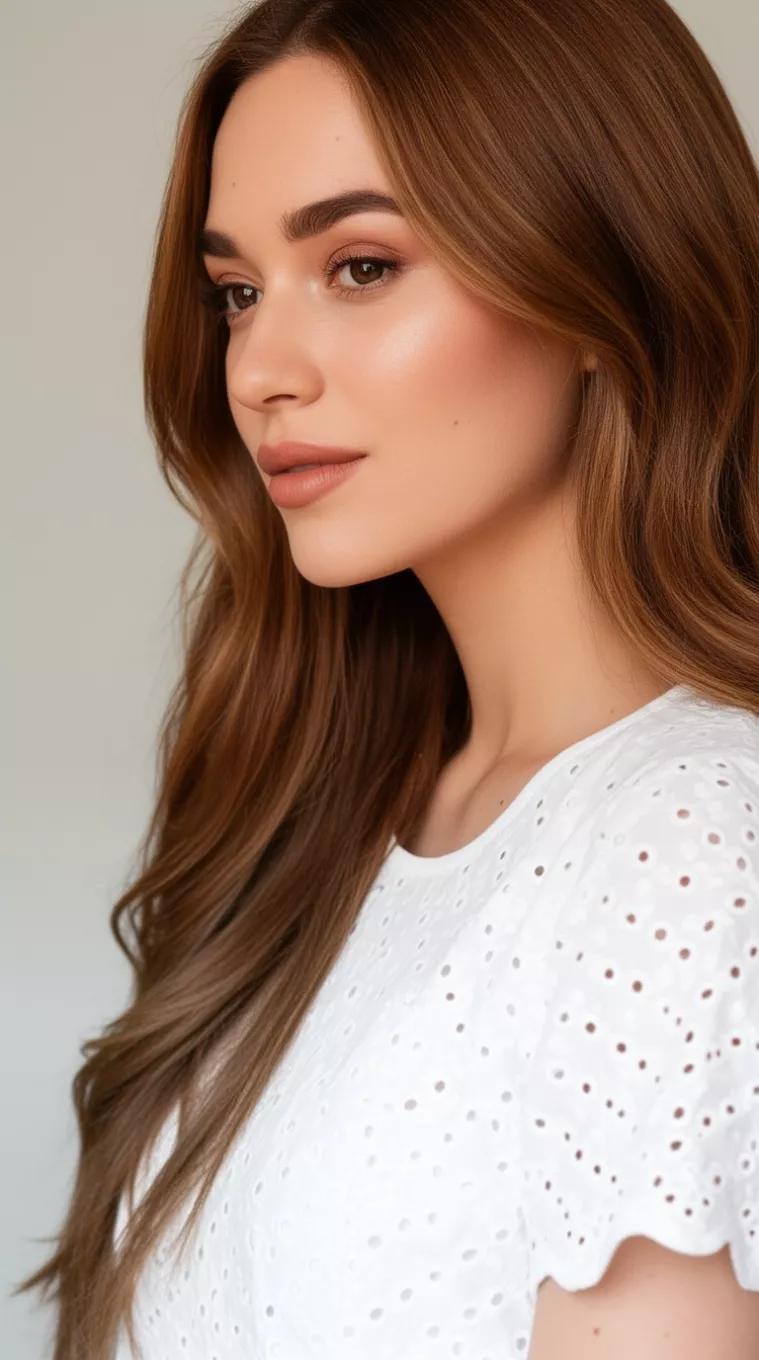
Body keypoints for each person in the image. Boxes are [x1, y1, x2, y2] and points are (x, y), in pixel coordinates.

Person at [16, 0, 759, 1356]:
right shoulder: (338, 813)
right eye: (237, 293)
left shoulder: (687, 836)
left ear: (603, 284)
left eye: (359, 266)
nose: (258, 370)